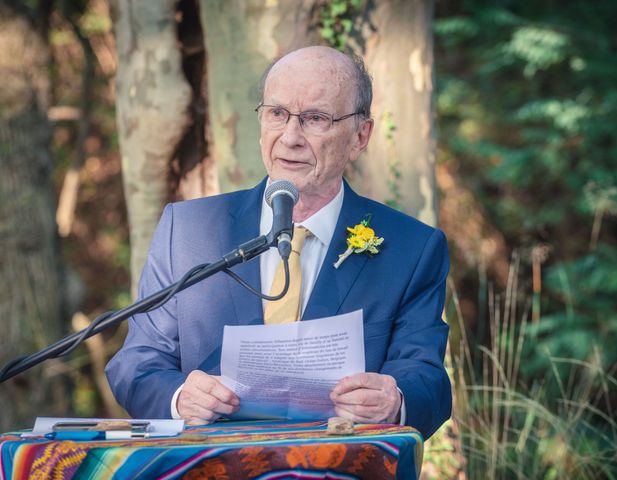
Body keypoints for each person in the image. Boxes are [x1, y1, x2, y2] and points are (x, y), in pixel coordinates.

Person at [106, 46, 451, 439]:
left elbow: (429, 380)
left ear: (360, 136)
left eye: (315, 119)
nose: (290, 138)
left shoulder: (411, 248)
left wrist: (395, 399)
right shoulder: (188, 230)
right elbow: (136, 362)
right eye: (276, 114)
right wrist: (179, 396)